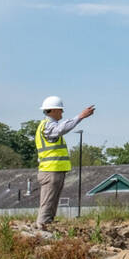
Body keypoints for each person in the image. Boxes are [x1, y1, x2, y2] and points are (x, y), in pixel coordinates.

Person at [35, 96, 94, 227]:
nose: (62, 113)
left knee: (51, 203)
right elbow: (62, 129)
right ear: (54, 110)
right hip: (50, 171)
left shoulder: (45, 125)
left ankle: (47, 227)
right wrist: (81, 116)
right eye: (60, 110)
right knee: (48, 203)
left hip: (53, 170)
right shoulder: (48, 126)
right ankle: (42, 229)